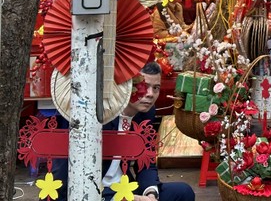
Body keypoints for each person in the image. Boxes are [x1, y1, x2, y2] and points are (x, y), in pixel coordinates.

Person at [53, 62, 195, 201]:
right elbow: (71, 176)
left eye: (156, 88)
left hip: (126, 187)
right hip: (95, 192)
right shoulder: (98, 115)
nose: (150, 94)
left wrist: (151, 193)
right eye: (143, 86)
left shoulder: (145, 114)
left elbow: (146, 161)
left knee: (183, 192)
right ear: (125, 86)